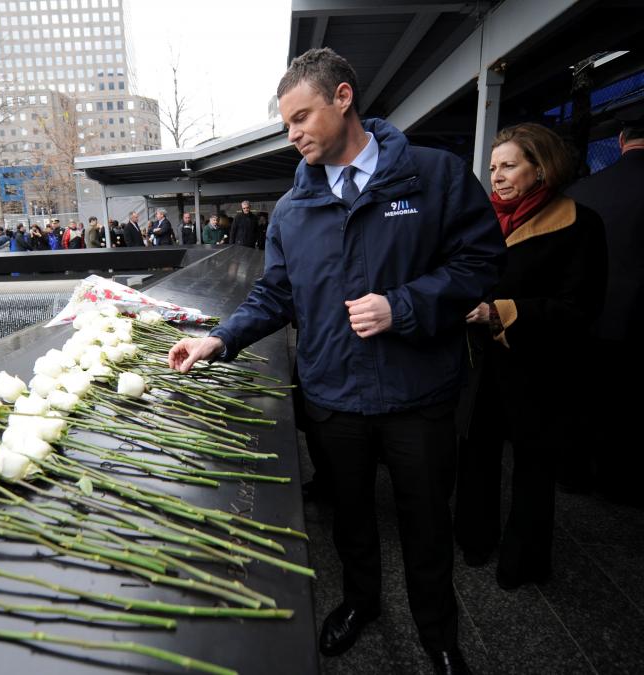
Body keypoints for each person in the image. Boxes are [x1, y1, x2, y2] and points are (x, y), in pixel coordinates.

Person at [166, 47, 505, 674]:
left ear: (343, 98)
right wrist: (219, 340)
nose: (292, 135)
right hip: (333, 398)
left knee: (427, 525)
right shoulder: (293, 209)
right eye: (286, 123)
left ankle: (440, 634)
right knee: (349, 519)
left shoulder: (435, 177)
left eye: (300, 117)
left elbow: (482, 265)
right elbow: (276, 293)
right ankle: (360, 602)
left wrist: (402, 306)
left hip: (420, 397)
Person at [454, 123, 606, 587]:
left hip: (541, 369)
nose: (497, 176)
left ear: (540, 168)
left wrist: (500, 312)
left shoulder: (581, 223)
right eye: (494, 166)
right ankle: (474, 542)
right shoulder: (482, 222)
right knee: (476, 457)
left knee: (534, 470)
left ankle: (524, 562)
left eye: (510, 165)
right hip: (482, 367)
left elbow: (581, 308)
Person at [565, 114, 644, 505]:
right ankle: (619, 482)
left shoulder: (583, 190)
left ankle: (574, 472)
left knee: (582, 397)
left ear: (619, 140)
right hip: (635, 321)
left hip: (583, 315)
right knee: (628, 408)